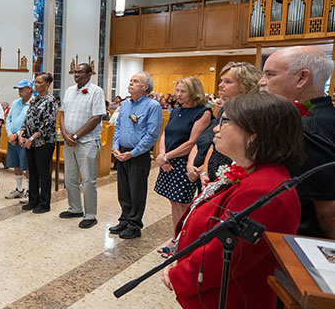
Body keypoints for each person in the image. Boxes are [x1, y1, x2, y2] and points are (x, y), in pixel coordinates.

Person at [161, 93, 304, 309]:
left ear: (254, 134)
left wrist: (178, 274)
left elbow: (222, 256)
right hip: (213, 304)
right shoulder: (250, 172)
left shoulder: (263, 189)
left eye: (225, 121)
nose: (215, 127)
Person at [256, 46, 335, 309]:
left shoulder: (309, 127)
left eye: (270, 75)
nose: (261, 82)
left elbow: (327, 204)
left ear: (302, 78)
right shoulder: (318, 115)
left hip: (301, 252)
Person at [154, 77, 212, 251]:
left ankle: (184, 242)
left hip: (184, 162)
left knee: (184, 204)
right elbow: (166, 133)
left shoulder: (204, 112)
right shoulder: (176, 110)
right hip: (169, 160)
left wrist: (167, 157)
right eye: (177, 90)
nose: (178, 94)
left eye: (183, 91)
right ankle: (175, 238)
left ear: (194, 92)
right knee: (173, 202)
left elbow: (192, 142)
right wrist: (162, 155)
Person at [189, 62, 262, 188]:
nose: (220, 85)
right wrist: (205, 171)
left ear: (245, 84)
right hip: (213, 171)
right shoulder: (225, 109)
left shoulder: (252, 112)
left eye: (228, 82)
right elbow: (214, 143)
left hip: (234, 174)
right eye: (221, 80)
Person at [109, 72, 162, 239]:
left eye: (135, 81)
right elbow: (118, 129)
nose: (130, 83)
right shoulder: (124, 105)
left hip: (138, 155)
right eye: (131, 80)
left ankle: (134, 225)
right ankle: (124, 219)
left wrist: (132, 153)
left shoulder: (152, 106)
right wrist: (116, 147)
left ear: (145, 87)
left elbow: (151, 135)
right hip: (122, 152)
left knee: (136, 191)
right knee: (123, 190)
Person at [58, 63, 106, 229]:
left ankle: (90, 215)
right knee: (70, 178)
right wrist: (65, 134)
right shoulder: (69, 90)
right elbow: (62, 114)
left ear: (89, 74)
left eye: (80, 72)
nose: (76, 75)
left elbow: (96, 117)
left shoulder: (96, 91)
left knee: (88, 180)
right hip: (69, 141)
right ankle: (75, 208)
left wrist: (76, 135)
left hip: (87, 142)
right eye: (75, 72)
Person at [18, 72, 57, 214]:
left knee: (43, 173)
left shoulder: (51, 100)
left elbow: (48, 123)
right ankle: (32, 200)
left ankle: (44, 203)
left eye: (39, 82)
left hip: (43, 142)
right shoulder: (34, 100)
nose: (36, 84)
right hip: (29, 142)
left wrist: (32, 138)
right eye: (35, 82)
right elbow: (27, 119)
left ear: (47, 84)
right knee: (32, 172)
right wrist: (22, 135)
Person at [4, 79, 32, 200]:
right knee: (16, 164)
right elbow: (8, 119)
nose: (19, 91)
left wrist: (16, 134)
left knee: (27, 166)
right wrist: (10, 134)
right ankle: (19, 189)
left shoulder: (33, 103)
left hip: (24, 139)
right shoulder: (16, 102)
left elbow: (27, 122)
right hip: (12, 139)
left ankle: (31, 191)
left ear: (30, 89)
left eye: (22, 89)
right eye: (18, 89)